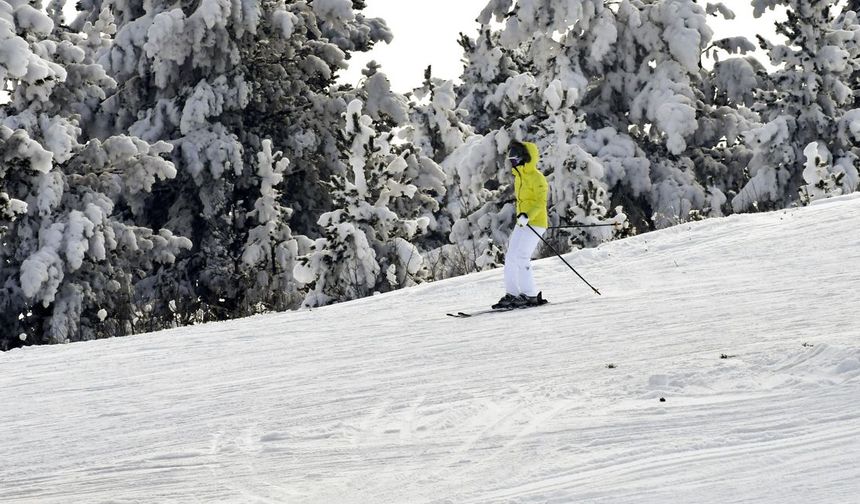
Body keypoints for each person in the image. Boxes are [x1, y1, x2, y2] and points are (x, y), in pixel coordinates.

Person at [492, 140, 549, 310]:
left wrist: (528, 215)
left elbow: (540, 202)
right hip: (522, 222)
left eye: (516, 160)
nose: (514, 163)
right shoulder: (519, 177)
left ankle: (530, 295)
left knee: (522, 256)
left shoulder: (537, 177)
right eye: (512, 160)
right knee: (510, 257)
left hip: (537, 222)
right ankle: (513, 294)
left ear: (525, 158)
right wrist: (522, 216)